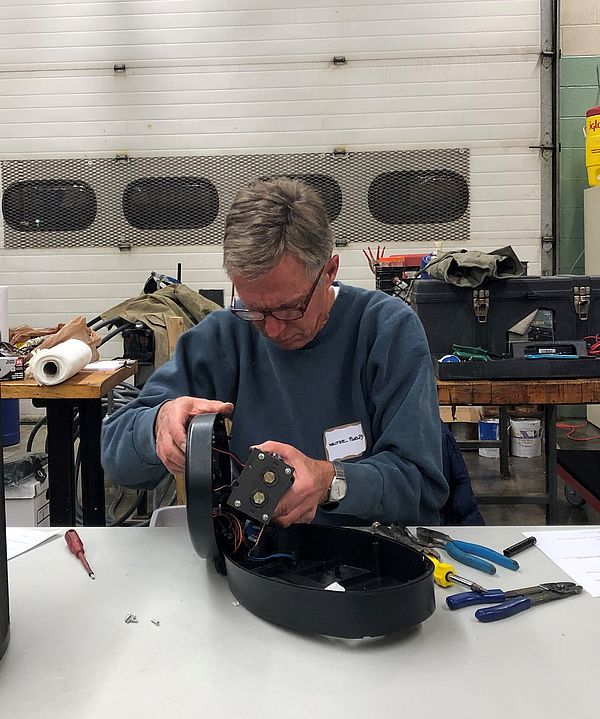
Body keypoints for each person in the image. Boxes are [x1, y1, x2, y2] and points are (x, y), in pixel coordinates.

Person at [101, 177, 448, 527]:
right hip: (255, 557)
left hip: (368, 559)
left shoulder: (386, 331)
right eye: (253, 309)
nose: (272, 329)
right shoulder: (224, 336)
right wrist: (157, 425)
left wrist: (331, 481)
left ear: (329, 271)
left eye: (288, 308)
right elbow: (116, 453)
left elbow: (420, 486)